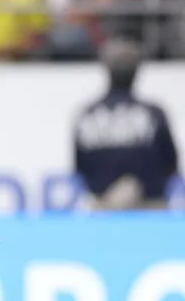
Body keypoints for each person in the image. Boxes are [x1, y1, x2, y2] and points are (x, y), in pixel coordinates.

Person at [74, 38, 179, 210]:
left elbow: (80, 169)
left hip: (104, 211)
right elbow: (171, 164)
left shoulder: (88, 115)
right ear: (137, 71)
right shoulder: (153, 114)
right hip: (149, 212)